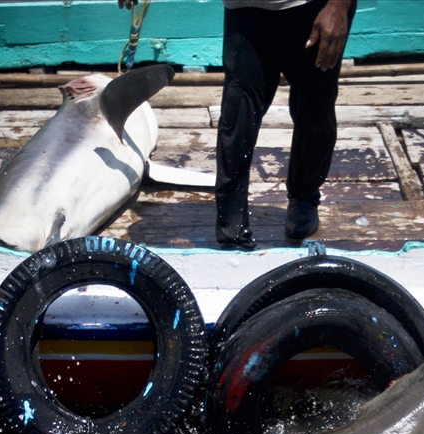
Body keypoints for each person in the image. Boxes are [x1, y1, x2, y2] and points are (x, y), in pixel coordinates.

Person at [119, 0, 357, 249]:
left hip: (314, 10)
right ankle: (231, 225)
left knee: (315, 109)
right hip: (245, 11)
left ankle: (304, 198)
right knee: (238, 113)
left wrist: (338, 6)